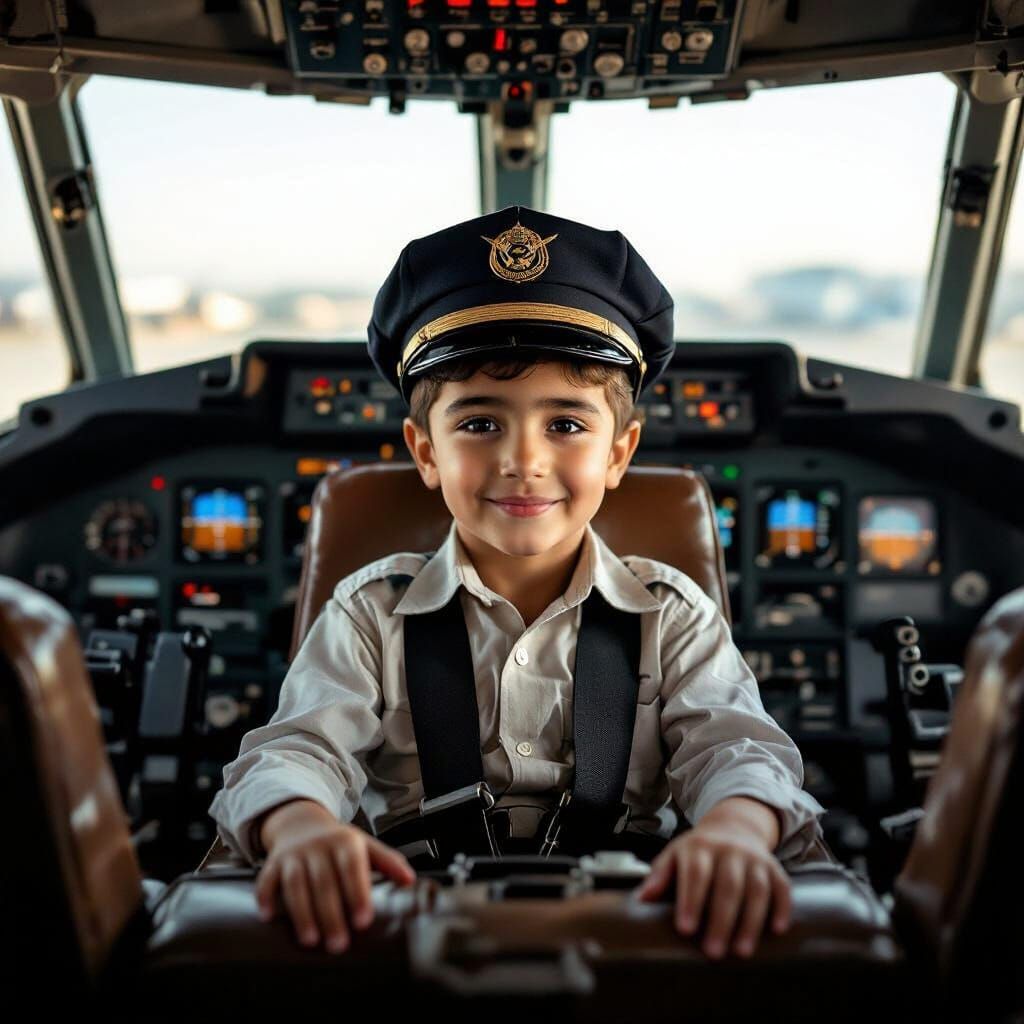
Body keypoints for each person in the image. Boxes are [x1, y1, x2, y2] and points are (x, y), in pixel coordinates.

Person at [209, 206, 826, 963]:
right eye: (478, 424)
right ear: (425, 451)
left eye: (566, 425)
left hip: (630, 921)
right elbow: (298, 750)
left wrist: (736, 829)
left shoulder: (672, 614)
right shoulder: (371, 611)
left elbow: (736, 749)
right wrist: (301, 825)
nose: (523, 460)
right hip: (408, 921)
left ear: (619, 453)